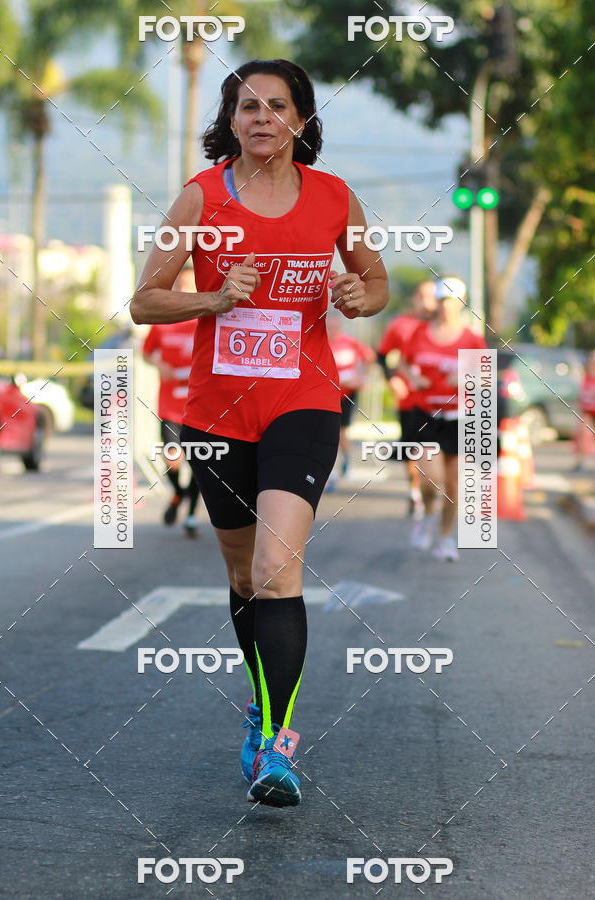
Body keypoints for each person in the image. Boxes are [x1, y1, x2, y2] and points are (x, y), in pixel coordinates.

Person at [129, 58, 388, 807]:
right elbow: (145, 302)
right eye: (248, 107)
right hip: (216, 413)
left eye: (279, 106)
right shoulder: (200, 197)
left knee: (279, 571)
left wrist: (358, 295)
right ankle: (260, 709)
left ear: (302, 120)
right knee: (245, 578)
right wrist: (212, 296)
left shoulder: (336, 198)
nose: (263, 118)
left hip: (303, 402)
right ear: (232, 119)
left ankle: (277, 746)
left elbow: (374, 282)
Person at [398, 276, 486, 562]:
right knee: (431, 481)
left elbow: (485, 376)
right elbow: (402, 361)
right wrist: (412, 377)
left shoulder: (472, 339)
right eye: (442, 300)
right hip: (427, 415)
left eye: (451, 301)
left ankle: (445, 538)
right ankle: (425, 518)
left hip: (460, 417)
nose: (446, 306)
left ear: (461, 303)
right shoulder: (421, 333)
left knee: (454, 484)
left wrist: (465, 376)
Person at [142, 265, 201, 538]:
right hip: (170, 405)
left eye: (190, 286)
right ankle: (177, 494)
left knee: (202, 463)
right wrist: (159, 363)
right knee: (173, 459)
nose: (184, 291)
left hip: (201, 405)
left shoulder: (206, 317)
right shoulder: (164, 320)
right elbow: (147, 352)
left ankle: (190, 516)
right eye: (181, 286)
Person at [376, 281, 437, 518]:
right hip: (409, 399)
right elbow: (381, 356)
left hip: (438, 400)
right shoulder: (401, 325)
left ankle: (431, 489)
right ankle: (415, 492)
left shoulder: (443, 326)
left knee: (434, 448)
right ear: (415, 298)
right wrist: (393, 380)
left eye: (432, 297)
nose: (427, 302)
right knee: (413, 448)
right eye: (423, 296)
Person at [326, 315, 375, 481]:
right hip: (328, 393)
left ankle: (345, 457)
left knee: (341, 431)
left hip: (347, 393)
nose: (332, 331)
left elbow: (369, 357)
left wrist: (362, 377)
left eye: (335, 327)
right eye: (329, 327)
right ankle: (330, 465)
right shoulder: (321, 342)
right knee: (329, 430)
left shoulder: (349, 342)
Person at [573, 350, 595, 470]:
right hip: (587, 411)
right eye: (591, 361)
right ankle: (579, 463)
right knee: (581, 433)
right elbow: (580, 395)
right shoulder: (584, 377)